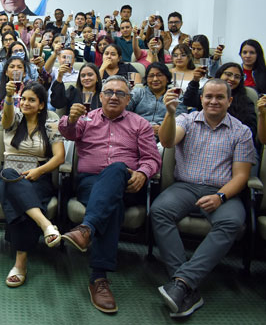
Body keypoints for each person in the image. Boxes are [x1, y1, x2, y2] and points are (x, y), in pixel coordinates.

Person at [58, 75, 161, 314]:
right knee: (112, 206)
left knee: (116, 168)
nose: (114, 96)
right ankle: (98, 277)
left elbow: (151, 158)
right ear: (100, 96)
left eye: (120, 93)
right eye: (109, 92)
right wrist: (70, 118)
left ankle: (86, 230)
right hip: (91, 184)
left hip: (128, 184)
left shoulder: (140, 124)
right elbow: (69, 133)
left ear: (128, 99)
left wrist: (144, 174)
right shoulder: (87, 118)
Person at [152, 78, 254, 318]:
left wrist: (220, 196)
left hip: (222, 191)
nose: (213, 101)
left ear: (229, 101)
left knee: (232, 223)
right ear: (201, 99)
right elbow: (166, 141)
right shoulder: (187, 120)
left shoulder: (241, 131)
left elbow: (241, 176)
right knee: (159, 211)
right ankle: (186, 283)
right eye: (208, 96)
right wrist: (169, 113)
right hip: (185, 187)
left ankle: (182, 283)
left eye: (220, 97)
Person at [0, 81, 65, 287]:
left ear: (42, 105)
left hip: (37, 175)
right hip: (8, 174)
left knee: (22, 204)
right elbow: (6, 119)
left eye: (31, 100)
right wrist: (9, 98)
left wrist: (39, 171)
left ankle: (20, 265)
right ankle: (46, 225)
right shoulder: (13, 117)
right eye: (23, 99)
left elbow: (59, 157)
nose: (25, 103)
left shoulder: (51, 124)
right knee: (10, 177)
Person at [183, 62, 257, 146]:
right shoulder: (209, 93)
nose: (232, 79)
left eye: (237, 77)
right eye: (228, 74)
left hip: (234, 142)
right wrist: (195, 81)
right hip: (205, 138)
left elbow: (251, 129)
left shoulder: (245, 101)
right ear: (220, 74)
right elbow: (188, 101)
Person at [127, 62, 186, 138]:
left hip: (164, 136)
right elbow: (125, 112)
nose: (155, 79)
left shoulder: (174, 95)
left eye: (159, 75)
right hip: (138, 133)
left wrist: (162, 127)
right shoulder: (138, 93)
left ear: (167, 78)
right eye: (151, 76)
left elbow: (180, 119)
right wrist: (146, 127)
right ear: (146, 79)